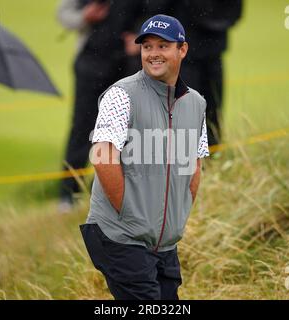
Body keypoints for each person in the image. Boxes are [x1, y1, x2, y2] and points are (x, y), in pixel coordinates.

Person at [80, 14, 209, 300]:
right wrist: (130, 215)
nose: (153, 54)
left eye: (163, 46)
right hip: (120, 237)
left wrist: (178, 216)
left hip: (163, 244)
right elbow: (103, 158)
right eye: (147, 46)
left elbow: (195, 164)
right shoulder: (121, 95)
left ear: (182, 49)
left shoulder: (196, 103)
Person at [57, 0, 143, 211]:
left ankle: (118, 193)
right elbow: (64, 14)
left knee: (126, 130)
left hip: (127, 64)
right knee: (82, 127)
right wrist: (85, 16)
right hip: (91, 62)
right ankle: (68, 195)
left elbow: (154, 13)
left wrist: (141, 39)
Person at [135, 0, 243, 146]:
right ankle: (183, 158)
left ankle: (210, 157)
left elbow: (233, 11)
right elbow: (154, 7)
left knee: (211, 111)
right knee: (181, 113)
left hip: (210, 48)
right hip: (178, 53)